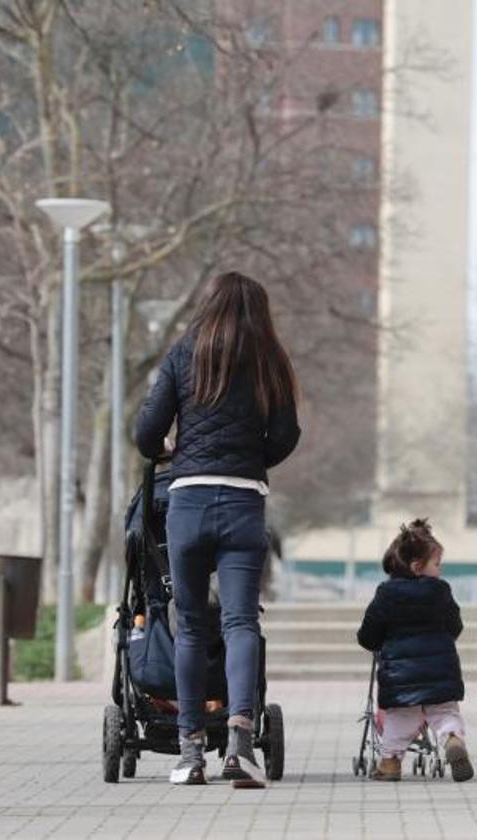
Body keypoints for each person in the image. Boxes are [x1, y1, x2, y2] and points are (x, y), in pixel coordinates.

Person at [135, 271, 301, 787]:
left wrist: (171, 452)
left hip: (186, 501)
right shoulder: (270, 360)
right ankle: (241, 741)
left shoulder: (184, 354)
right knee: (240, 623)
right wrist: (253, 457)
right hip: (243, 502)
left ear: (208, 305)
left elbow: (146, 432)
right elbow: (287, 435)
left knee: (190, 625)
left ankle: (189, 753)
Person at [357, 519, 475, 783]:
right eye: (437, 564)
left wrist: (373, 642)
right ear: (417, 567)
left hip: (400, 677)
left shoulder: (385, 594)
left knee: (399, 720)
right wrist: (444, 642)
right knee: (445, 712)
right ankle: (453, 739)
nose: (440, 571)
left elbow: (369, 634)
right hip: (440, 670)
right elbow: (455, 625)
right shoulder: (441, 591)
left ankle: (390, 763)